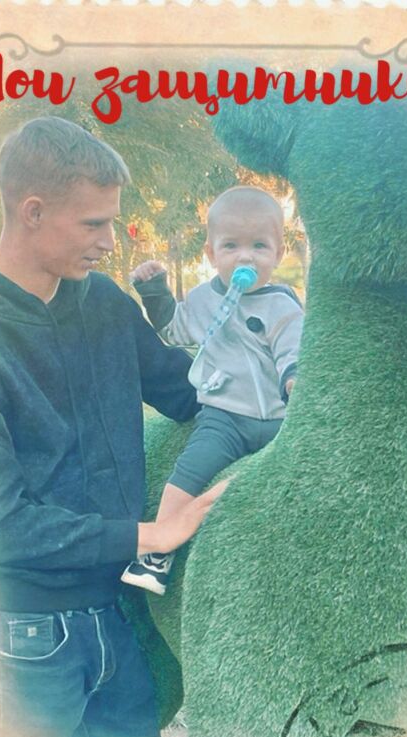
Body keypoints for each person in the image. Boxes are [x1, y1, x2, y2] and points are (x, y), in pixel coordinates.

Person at [0, 116, 226, 737]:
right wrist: (151, 534)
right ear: (32, 212)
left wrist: (283, 381)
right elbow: (0, 526)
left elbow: (186, 391)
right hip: (25, 639)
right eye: (93, 224)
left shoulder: (104, 302)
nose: (111, 242)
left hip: (116, 616)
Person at [122, 186, 303, 595]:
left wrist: (293, 379)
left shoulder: (283, 305)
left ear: (278, 253)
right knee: (187, 473)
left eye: (259, 246)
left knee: (299, 469)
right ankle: (157, 554)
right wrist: (155, 292)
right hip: (225, 418)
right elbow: (175, 329)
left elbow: (292, 349)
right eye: (231, 246)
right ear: (211, 253)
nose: (245, 257)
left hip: (279, 418)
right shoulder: (205, 299)